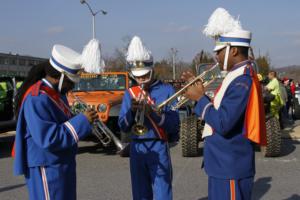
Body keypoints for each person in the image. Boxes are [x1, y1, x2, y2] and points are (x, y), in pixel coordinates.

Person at [181, 8, 266, 200]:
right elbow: (223, 111)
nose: (215, 57)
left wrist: (200, 98)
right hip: (222, 166)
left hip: (230, 167)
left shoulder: (242, 80)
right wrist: (201, 93)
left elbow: (223, 123)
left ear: (233, 50)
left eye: (218, 52)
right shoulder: (235, 77)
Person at [13, 44, 99, 200]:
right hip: (46, 165)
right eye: (70, 82)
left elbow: (62, 123)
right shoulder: (37, 98)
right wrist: (82, 121)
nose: (72, 86)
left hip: (59, 162)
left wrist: (83, 120)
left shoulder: (56, 94)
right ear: (60, 77)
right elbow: (48, 138)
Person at [118, 36, 179, 200]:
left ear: (152, 70)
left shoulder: (167, 90)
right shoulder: (130, 93)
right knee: (139, 194)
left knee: (162, 192)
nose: (141, 80)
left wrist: (153, 113)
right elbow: (123, 126)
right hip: (137, 148)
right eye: (137, 77)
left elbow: (174, 126)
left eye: (144, 75)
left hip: (159, 145)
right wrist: (131, 112)